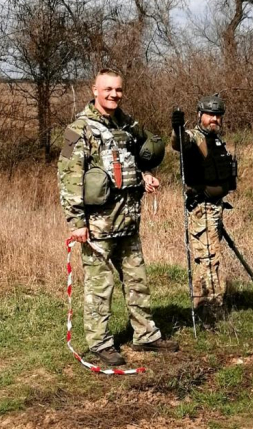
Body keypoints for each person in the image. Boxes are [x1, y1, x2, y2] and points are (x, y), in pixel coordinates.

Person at [58, 68, 178, 366]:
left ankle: (146, 335)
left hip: (128, 219)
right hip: (98, 224)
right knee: (100, 286)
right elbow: (68, 177)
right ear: (94, 90)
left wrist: (147, 175)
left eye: (118, 90)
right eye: (108, 89)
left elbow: (141, 156)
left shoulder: (128, 124)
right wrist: (77, 223)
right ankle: (100, 342)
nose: (114, 94)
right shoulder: (79, 129)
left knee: (137, 280)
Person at [170, 96, 237, 326]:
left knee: (206, 259)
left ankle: (201, 306)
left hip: (216, 208)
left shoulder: (216, 140)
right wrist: (177, 128)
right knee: (209, 259)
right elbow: (179, 143)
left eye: (218, 115)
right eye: (210, 115)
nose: (214, 119)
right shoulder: (194, 136)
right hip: (202, 210)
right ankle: (212, 311)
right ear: (199, 115)